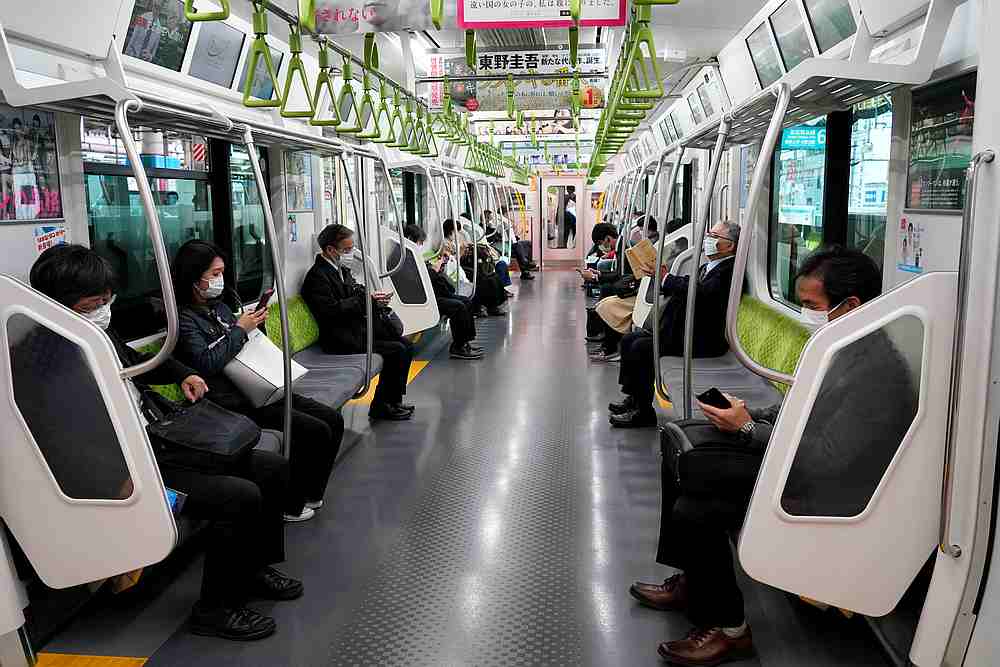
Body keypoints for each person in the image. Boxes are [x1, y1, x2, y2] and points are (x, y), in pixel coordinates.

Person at [632, 247, 914, 666]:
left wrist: (746, 429)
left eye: (812, 306)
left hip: (828, 491)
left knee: (698, 505)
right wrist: (749, 412)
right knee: (679, 446)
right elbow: (798, 407)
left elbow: (827, 458)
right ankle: (694, 579)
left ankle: (731, 630)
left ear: (851, 305)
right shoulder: (843, 345)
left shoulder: (875, 369)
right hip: (801, 462)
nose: (805, 316)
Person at [24, 244, 300, 641]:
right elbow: (62, 441)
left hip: (156, 436)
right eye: (93, 302)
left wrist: (183, 373)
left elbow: (135, 365)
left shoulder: (93, 329)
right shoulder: (39, 361)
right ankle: (215, 610)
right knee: (238, 496)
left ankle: (255, 567)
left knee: (271, 468)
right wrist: (123, 480)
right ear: (57, 304)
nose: (104, 308)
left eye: (107, 299)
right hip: (125, 464)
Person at [171, 240, 341, 521]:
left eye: (222, 273)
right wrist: (239, 330)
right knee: (312, 430)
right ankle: (291, 503)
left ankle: (311, 492)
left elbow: (235, 343)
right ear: (194, 277)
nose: (220, 280)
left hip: (255, 386)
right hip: (229, 399)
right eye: (214, 274)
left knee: (330, 420)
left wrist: (251, 326)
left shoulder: (221, 307)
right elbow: (206, 363)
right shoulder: (183, 318)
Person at [609, 221, 740, 428]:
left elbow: (704, 294)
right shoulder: (709, 266)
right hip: (683, 332)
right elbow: (692, 286)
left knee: (641, 348)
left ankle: (643, 412)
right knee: (629, 339)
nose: (708, 239)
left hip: (702, 339)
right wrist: (663, 278)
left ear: (730, 246)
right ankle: (633, 400)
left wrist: (667, 279)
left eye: (714, 236)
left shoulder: (730, 270)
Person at [302, 225, 416, 421]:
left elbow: (355, 291)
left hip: (354, 329)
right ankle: (381, 405)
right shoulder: (317, 277)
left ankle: (393, 401)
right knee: (396, 350)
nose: (350, 254)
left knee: (405, 345)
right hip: (340, 338)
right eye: (346, 250)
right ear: (330, 250)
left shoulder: (340, 270)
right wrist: (363, 301)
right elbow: (331, 311)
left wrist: (372, 298)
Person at [404, 224, 483, 360]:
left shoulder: (412, 255)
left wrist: (435, 269)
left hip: (432, 294)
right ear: (410, 239)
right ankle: (457, 347)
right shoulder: (403, 258)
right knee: (458, 307)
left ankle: (465, 342)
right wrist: (433, 271)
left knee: (466, 302)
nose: (421, 246)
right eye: (419, 242)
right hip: (422, 299)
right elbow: (415, 280)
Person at [443, 218, 508, 317]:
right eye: (456, 231)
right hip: (456, 268)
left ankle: (494, 304)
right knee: (480, 277)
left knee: (492, 276)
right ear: (451, 231)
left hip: (461, 265)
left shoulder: (454, 241)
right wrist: (461, 251)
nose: (458, 233)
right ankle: (483, 306)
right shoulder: (445, 244)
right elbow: (452, 261)